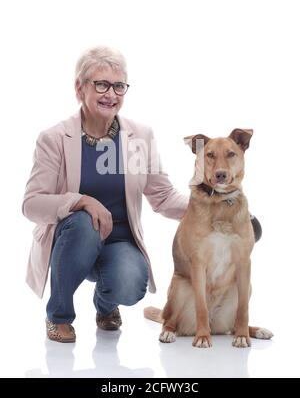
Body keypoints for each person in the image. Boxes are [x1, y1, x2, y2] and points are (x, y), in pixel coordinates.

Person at [22, 45, 262, 343]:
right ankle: (58, 316)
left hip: (119, 240)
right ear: (79, 88)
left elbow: (162, 197)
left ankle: (106, 306)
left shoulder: (139, 138)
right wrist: (82, 201)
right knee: (84, 223)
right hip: (73, 241)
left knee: (129, 281)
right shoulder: (54, 139)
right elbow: (32, 204)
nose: (111, 94)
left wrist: (223, 207)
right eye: (101, 84)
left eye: (118, 86)